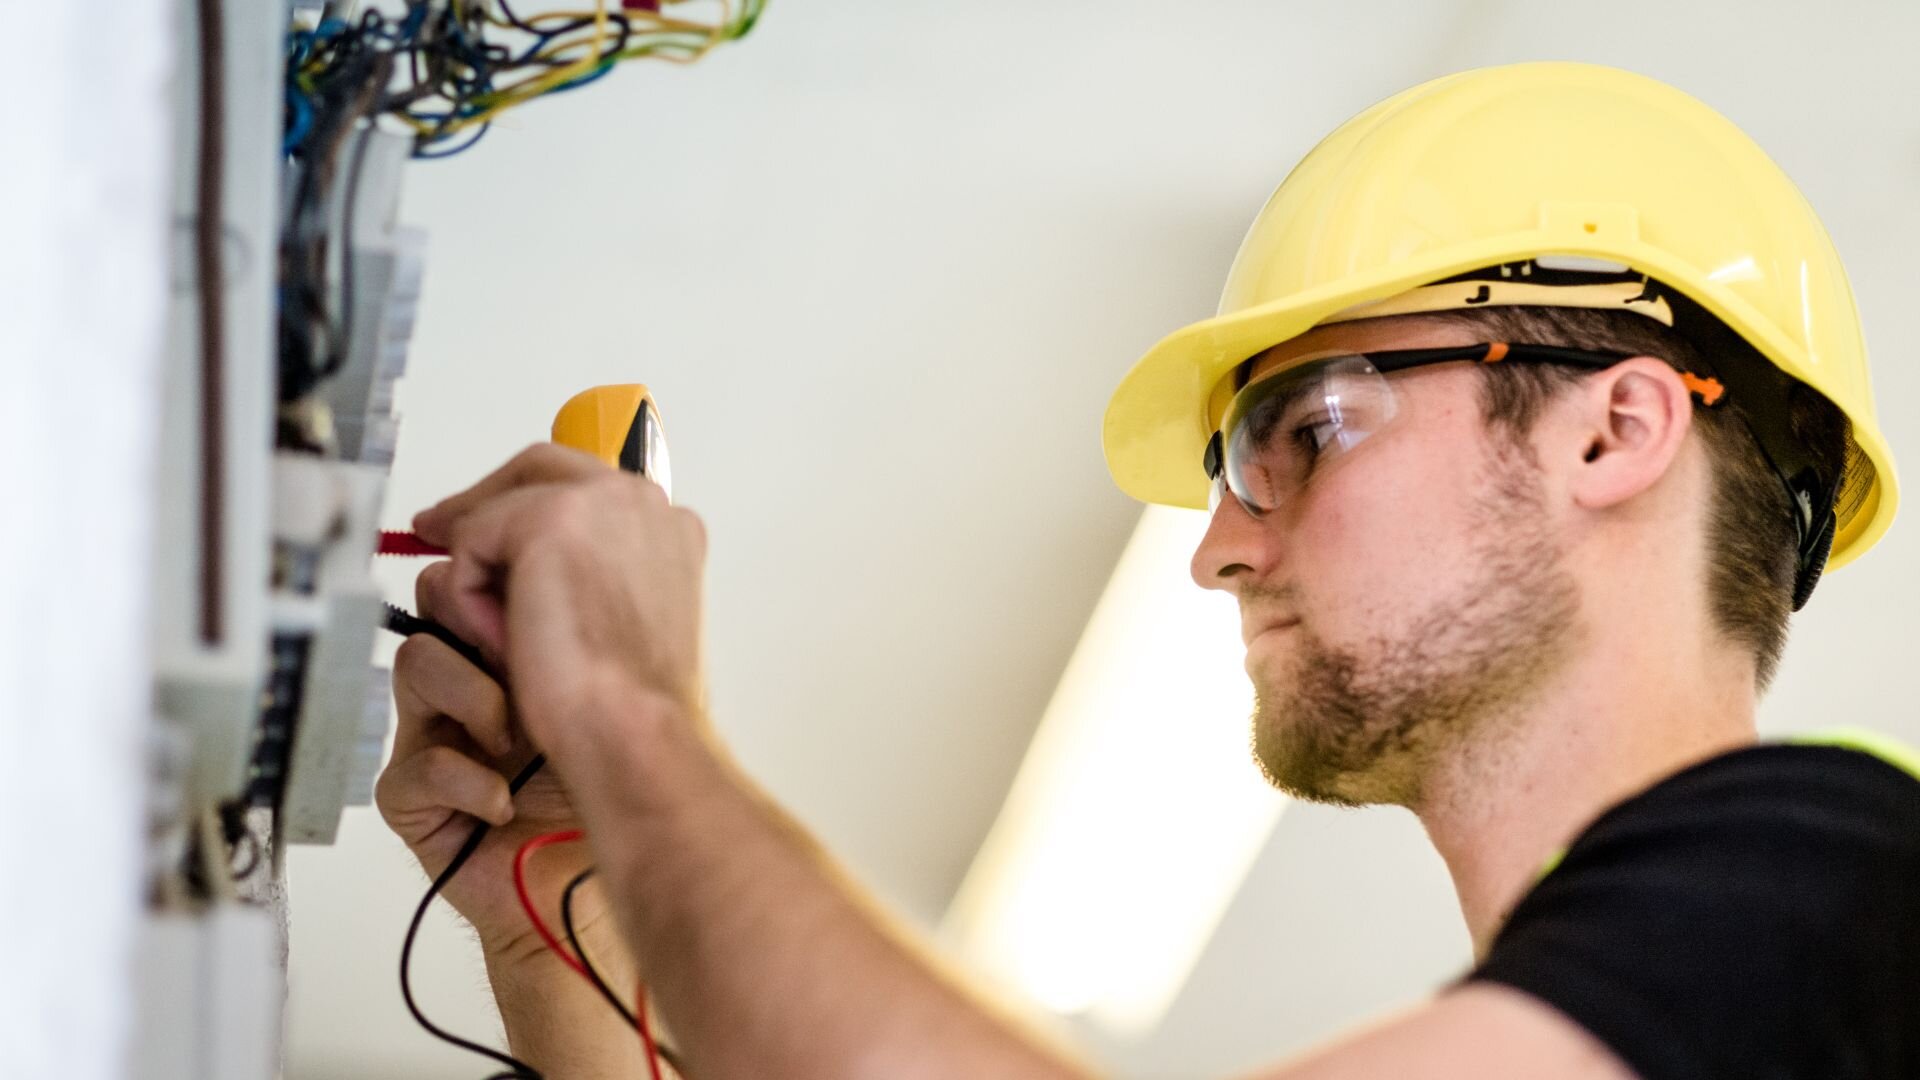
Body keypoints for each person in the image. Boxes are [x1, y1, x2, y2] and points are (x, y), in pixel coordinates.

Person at [375, 62, 1920, 1079]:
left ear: (1616, 431)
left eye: (1303, 429)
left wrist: (643, 719)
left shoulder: (1860, 896)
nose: (1220, 547)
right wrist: (563, 903)